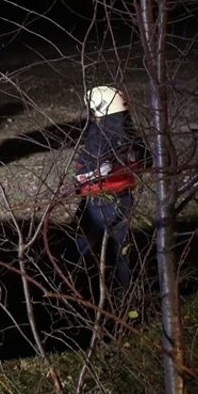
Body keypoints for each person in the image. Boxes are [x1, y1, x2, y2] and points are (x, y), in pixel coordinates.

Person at [72, 85, 142, 287]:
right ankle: (126, 296)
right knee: (121, 250)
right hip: (125, 198)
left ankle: (77, 290)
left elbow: (82, 175)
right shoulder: (129, 134)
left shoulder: (100, 138)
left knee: (83, 244)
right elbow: (146, 160)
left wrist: (93, 173)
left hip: (99, 201)